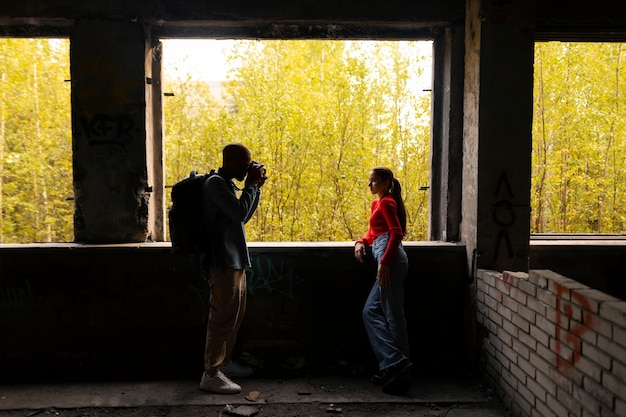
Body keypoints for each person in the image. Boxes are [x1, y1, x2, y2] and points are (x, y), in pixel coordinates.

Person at [199, 143, 267, 394]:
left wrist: (254, 188)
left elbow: (244, 214)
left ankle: (224, 363)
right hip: (222, 261)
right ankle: (211, 373)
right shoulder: (215, 184)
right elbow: (239, 212)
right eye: (245, 163)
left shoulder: (226, 184)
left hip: (235, 260)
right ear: (232, 162)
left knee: (234, 317)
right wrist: (250, 185)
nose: (248, 168)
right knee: (222, 318)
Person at [354, 166, 412, 396]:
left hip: (391, 260)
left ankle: (400, 374)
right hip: (383, 254)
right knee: (371, 312)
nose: (370, 185)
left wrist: (385, 263)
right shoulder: (376, 203)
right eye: (369, 181)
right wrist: (360, 241)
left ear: (387, 182)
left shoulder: (388, 201)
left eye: (374, 181)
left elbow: (396, 233)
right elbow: (374, 233)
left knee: (393, 315)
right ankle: (394, 363)